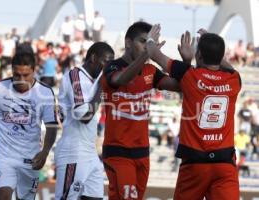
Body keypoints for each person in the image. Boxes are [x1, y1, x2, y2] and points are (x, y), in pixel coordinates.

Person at [146, 25, 241, 200]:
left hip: (195, 164)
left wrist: (150, 39)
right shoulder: (235, 80)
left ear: (199, 55)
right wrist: (211, 43)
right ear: (221, 57)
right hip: (224, 163)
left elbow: (153, 53)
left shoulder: (189, 74)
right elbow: (227, 66)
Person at [101, 21, 180, 200]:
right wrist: (146, 54)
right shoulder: (112, 67)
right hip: (118, 152)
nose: (147, 46)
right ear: (128, 42)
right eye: (143, 41)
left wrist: (187, 62)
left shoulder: (150, 71)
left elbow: (181, 86)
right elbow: (122, 79)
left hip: (142, 152)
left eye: (150, 43)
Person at [0, 43, 58, 200]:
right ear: (11, 71)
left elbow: (52, 126)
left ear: (34, 71)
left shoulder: (45, 93)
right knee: (3, 196)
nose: (21, 80)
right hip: (3, 156)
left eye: (26, 75)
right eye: (17, 75)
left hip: (30, 159)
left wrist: (45, 152)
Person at [54, 42, 114, 200]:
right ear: (93, 58)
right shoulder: (75, 76)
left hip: (90, 153)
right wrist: (102, 85)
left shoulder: (93, 80)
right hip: (73, 152)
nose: (107, 67)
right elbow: (85, 116)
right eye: (105, 62)